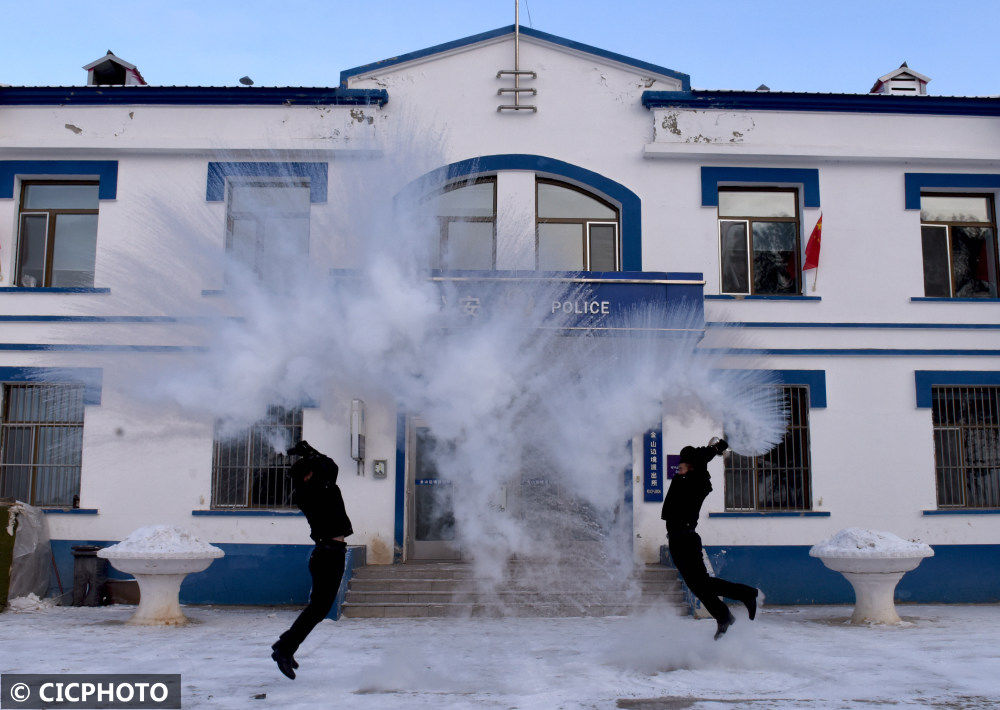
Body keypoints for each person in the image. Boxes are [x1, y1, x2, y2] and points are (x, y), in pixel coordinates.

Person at [271, 440, 354, 679]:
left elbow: (328, 467)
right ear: (308, 476)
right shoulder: (315, 490)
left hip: (329, 553)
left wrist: (307, 453)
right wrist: (307, 451)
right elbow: (330, 465)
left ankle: (284, 646)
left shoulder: (311, 490)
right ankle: (284, 649)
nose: (318, 472)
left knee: (317, 608)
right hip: (328, 555)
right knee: (318, 609)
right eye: (312, 470)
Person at [662, 437, 760, 639]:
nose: (678, 467)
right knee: (697, 584)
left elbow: (697, 457)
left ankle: (744, 597)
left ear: (691, 466)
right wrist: (713, 449)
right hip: (677, 538)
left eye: (682, 464)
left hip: (685, 538)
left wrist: (716, 448)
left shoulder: (696, 482)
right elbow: (696, 457)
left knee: (701, 583)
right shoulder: (685, 478)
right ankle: (725, 614)